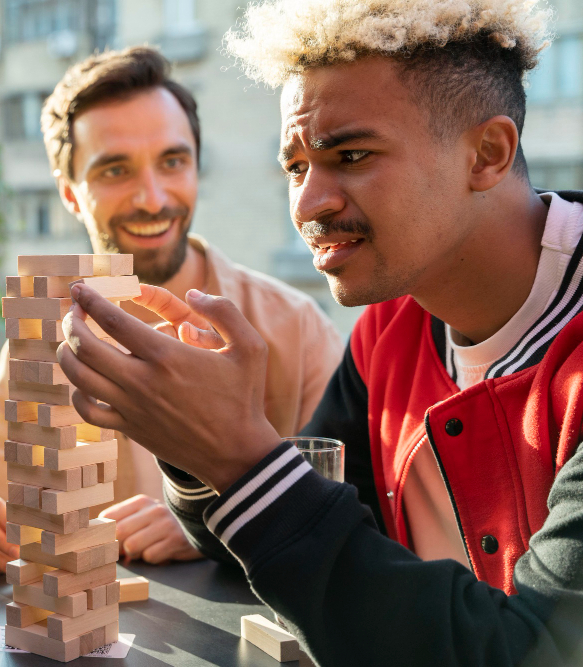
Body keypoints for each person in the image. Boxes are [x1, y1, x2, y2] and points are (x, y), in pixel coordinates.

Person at [59, 1, 583, 665]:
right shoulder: (388, 329)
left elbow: (533, 652)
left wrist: (239, 456)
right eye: (296, 166)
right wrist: (195, 443)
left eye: (351, 154)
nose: (308, 204)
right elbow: (294, 536)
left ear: (487, 153)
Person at [0, 46, 344, 574]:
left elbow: (351, 534)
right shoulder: (41, 335)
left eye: (173, 161)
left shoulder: (294, 327)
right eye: (115, 170)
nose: (152, 197)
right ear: (70, 194)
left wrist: (214, 525)